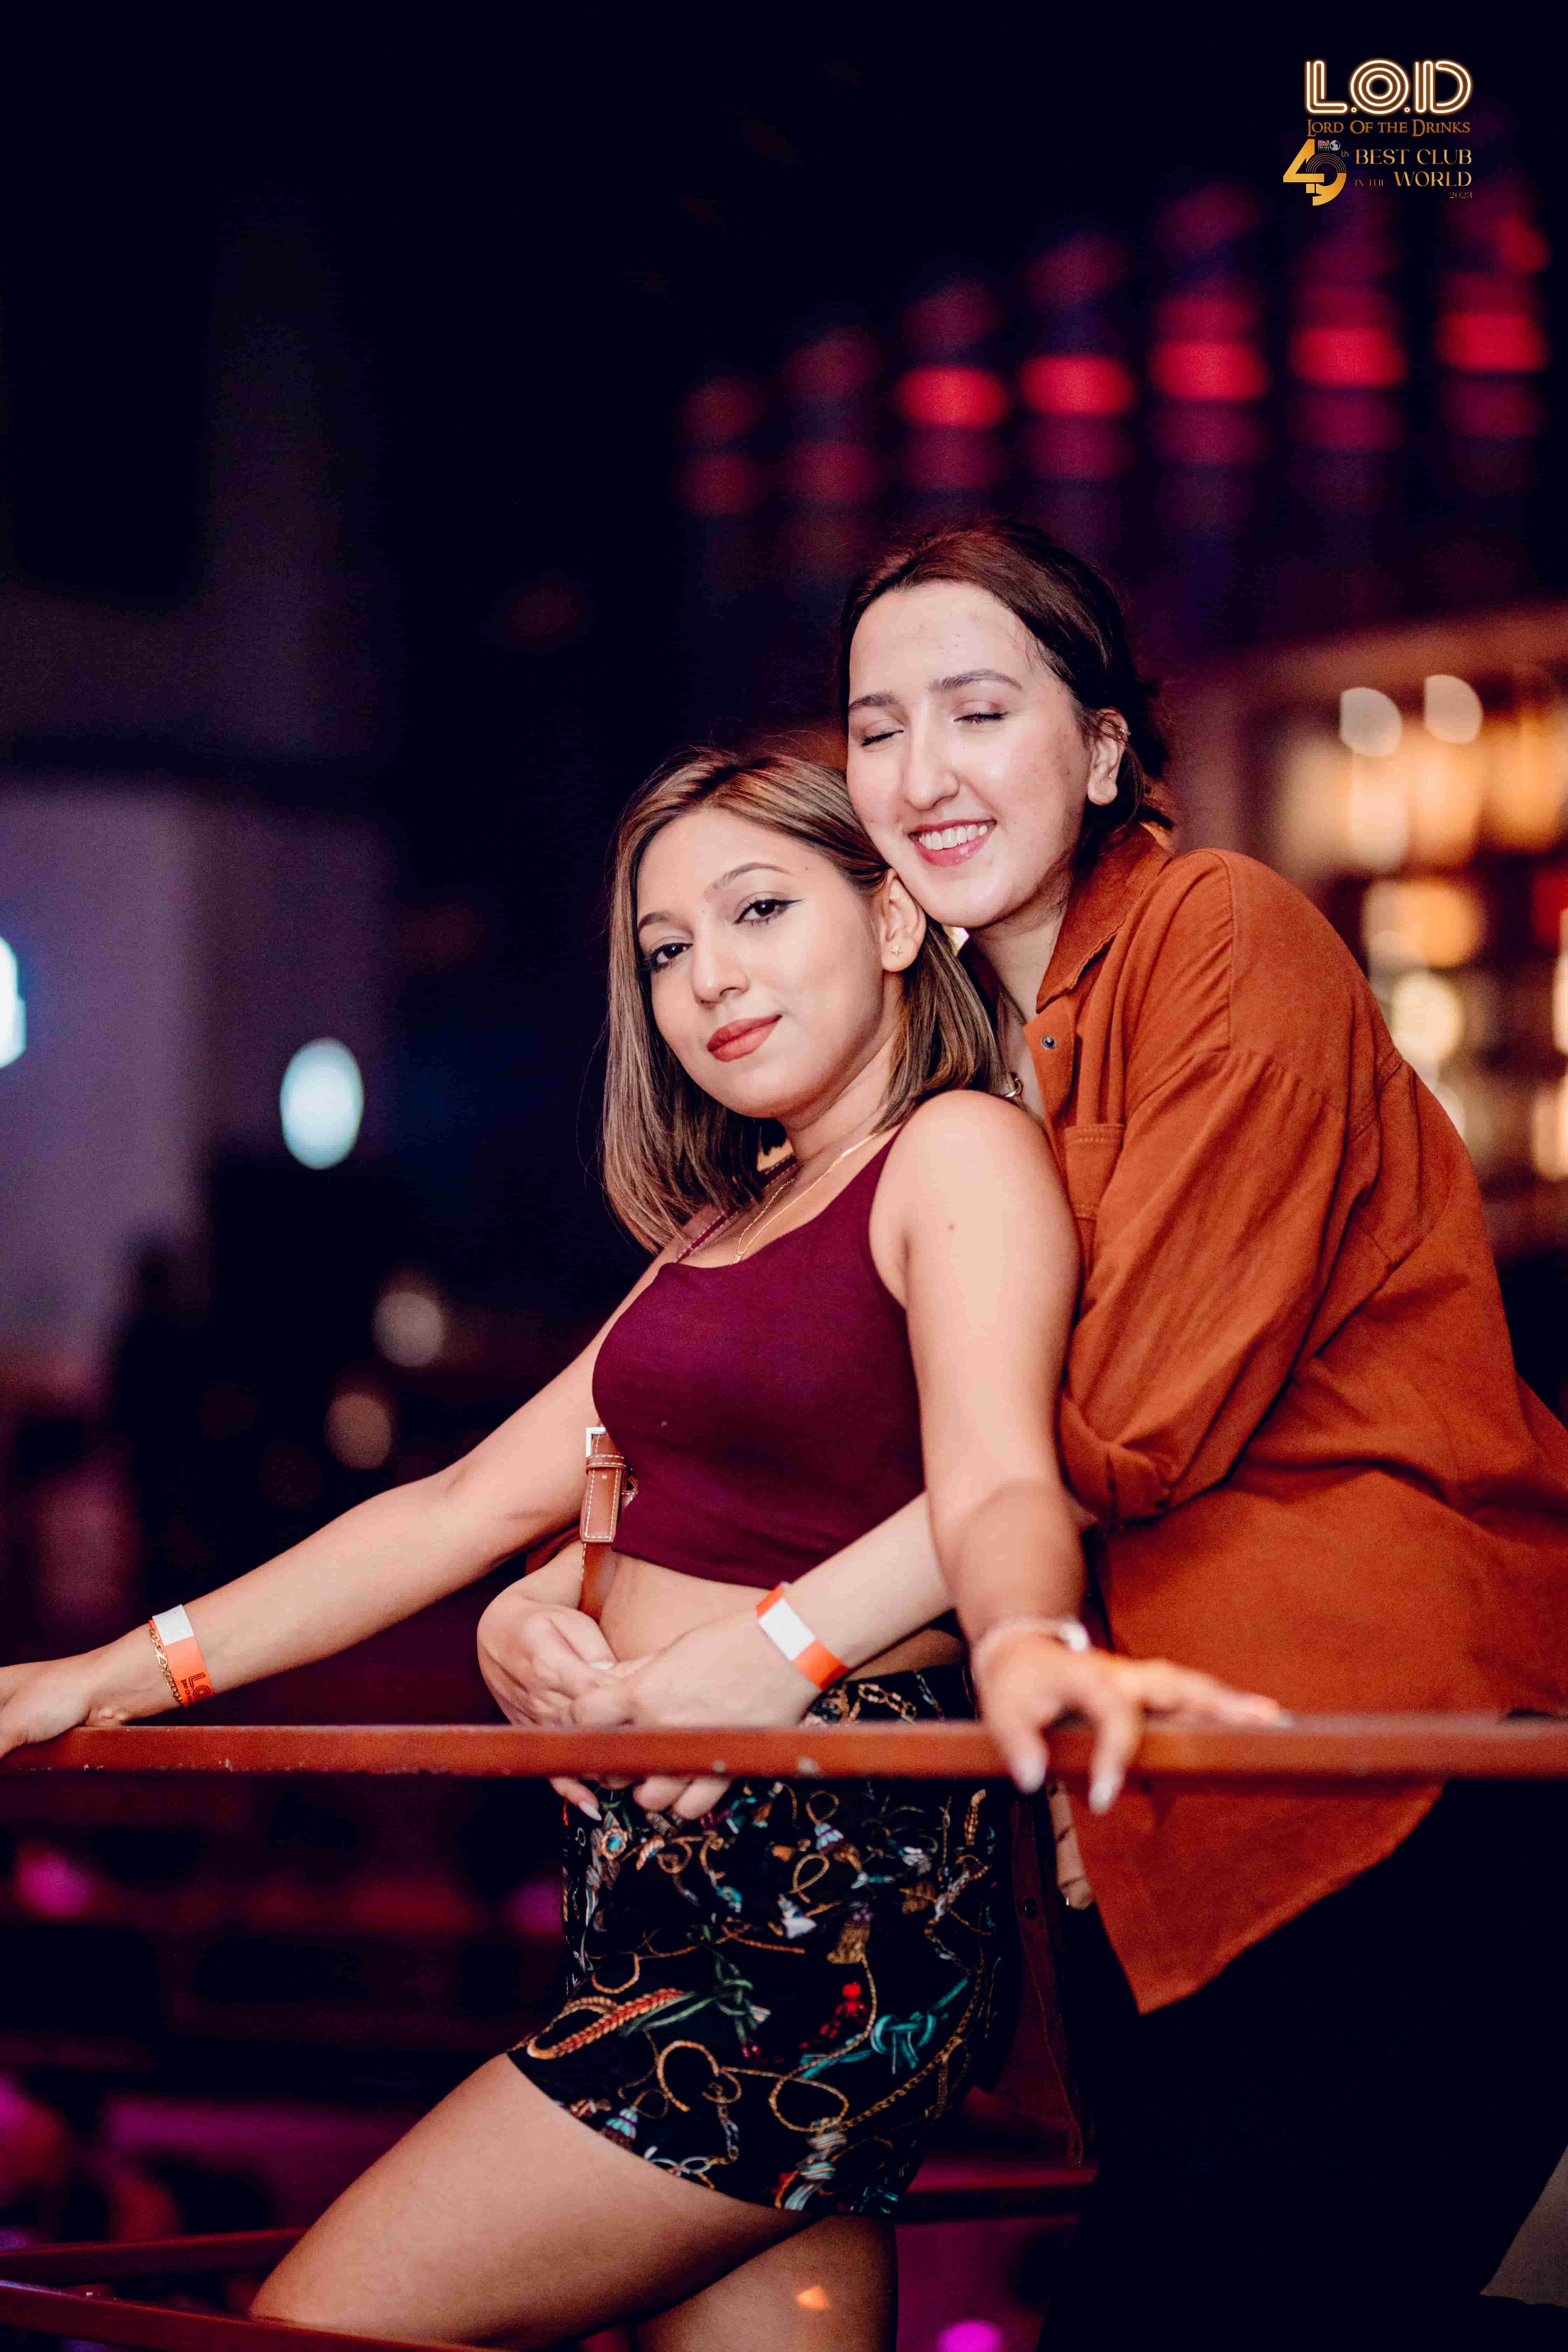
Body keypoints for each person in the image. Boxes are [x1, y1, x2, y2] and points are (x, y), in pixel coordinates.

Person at [0, 747, 1271, 2352]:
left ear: (895, 922)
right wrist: (108, 1676)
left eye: (758, 911)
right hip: (653, 1894)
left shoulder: (950, 1151)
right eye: (666, 948)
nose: (707, 977)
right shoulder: (732, 1220)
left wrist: (857, 1643)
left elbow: (1015, 1482)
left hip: (806, 1902)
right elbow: (464, 1506)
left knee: (302, 2327)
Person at [506, 525, 1568, 2348]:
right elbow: (863, 1438)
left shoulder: (1218, 930)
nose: (922, 770)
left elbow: (1121, 1426)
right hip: (1150, 1822)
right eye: (879, 727)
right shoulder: (971, 1063)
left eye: (980, 712)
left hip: (1380, 1777)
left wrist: (777, 1640)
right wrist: (568, 1589)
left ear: (1100, 748)